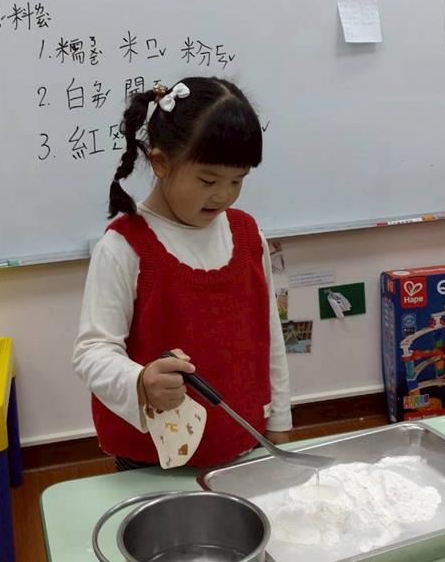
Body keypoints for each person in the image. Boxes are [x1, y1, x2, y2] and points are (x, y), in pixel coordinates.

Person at [73, 77, 291, 470]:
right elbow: (92, 351)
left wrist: (279, 421)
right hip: (153, 459)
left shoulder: (246, 235)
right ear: (160, 163)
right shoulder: (123, 247)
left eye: (238, 180)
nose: (223, 195)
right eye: (208, 180)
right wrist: (141, 381)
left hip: (244, 439)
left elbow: (269, 333)